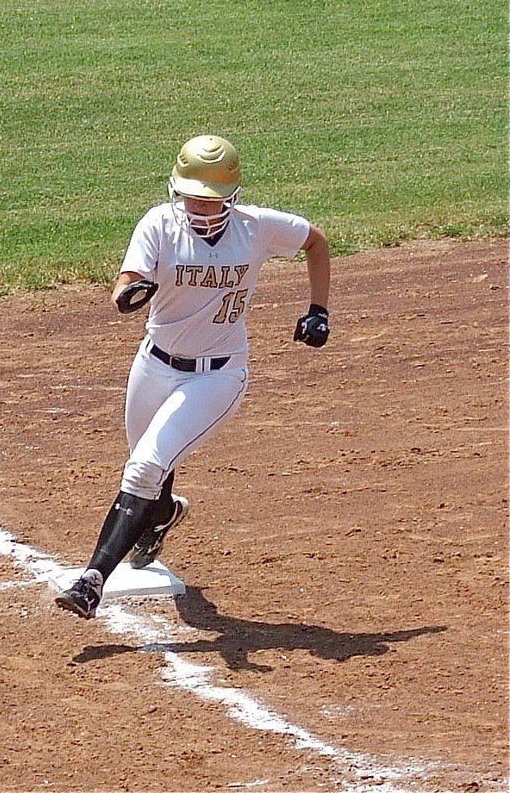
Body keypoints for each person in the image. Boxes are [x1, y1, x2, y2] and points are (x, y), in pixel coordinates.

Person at [55, 134, 331, 620]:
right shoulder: (160, 224)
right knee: (148, 469)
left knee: (143, 468)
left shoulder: (257, 228)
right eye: (191, 194)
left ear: (231, 195)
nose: (199, 204)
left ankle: (91, 581)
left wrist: (318, 310)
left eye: (210, 196)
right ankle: (162, 514)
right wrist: (127, 294)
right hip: (155, 365)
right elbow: (127, 279)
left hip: (218, 377)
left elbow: (315, 240)